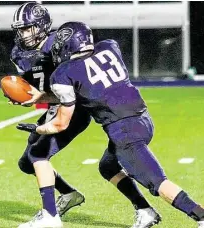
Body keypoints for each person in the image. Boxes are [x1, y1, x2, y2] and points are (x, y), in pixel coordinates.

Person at [17, 22, 204, 228]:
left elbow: (60, 123)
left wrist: (38, 129)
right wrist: (41, 96)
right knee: (108, 166)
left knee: (158, 183)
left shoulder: (64, 73)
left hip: (123, 132)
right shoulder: (109, 47)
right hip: (143, 119)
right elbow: (93, 81)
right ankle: (145, 211)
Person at [11, 3, 161, 228]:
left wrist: (40, 98)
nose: (22, 34)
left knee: (38, 154)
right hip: (57, 105)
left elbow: (76, 89)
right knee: (26, 162)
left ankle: (50, 216)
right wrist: (28, 95)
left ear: (42, 26)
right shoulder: (19, 53)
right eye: (20, 29)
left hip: (76, 109)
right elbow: (40, 88)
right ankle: (70, 194)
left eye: (27, 28)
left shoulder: (60, 45)